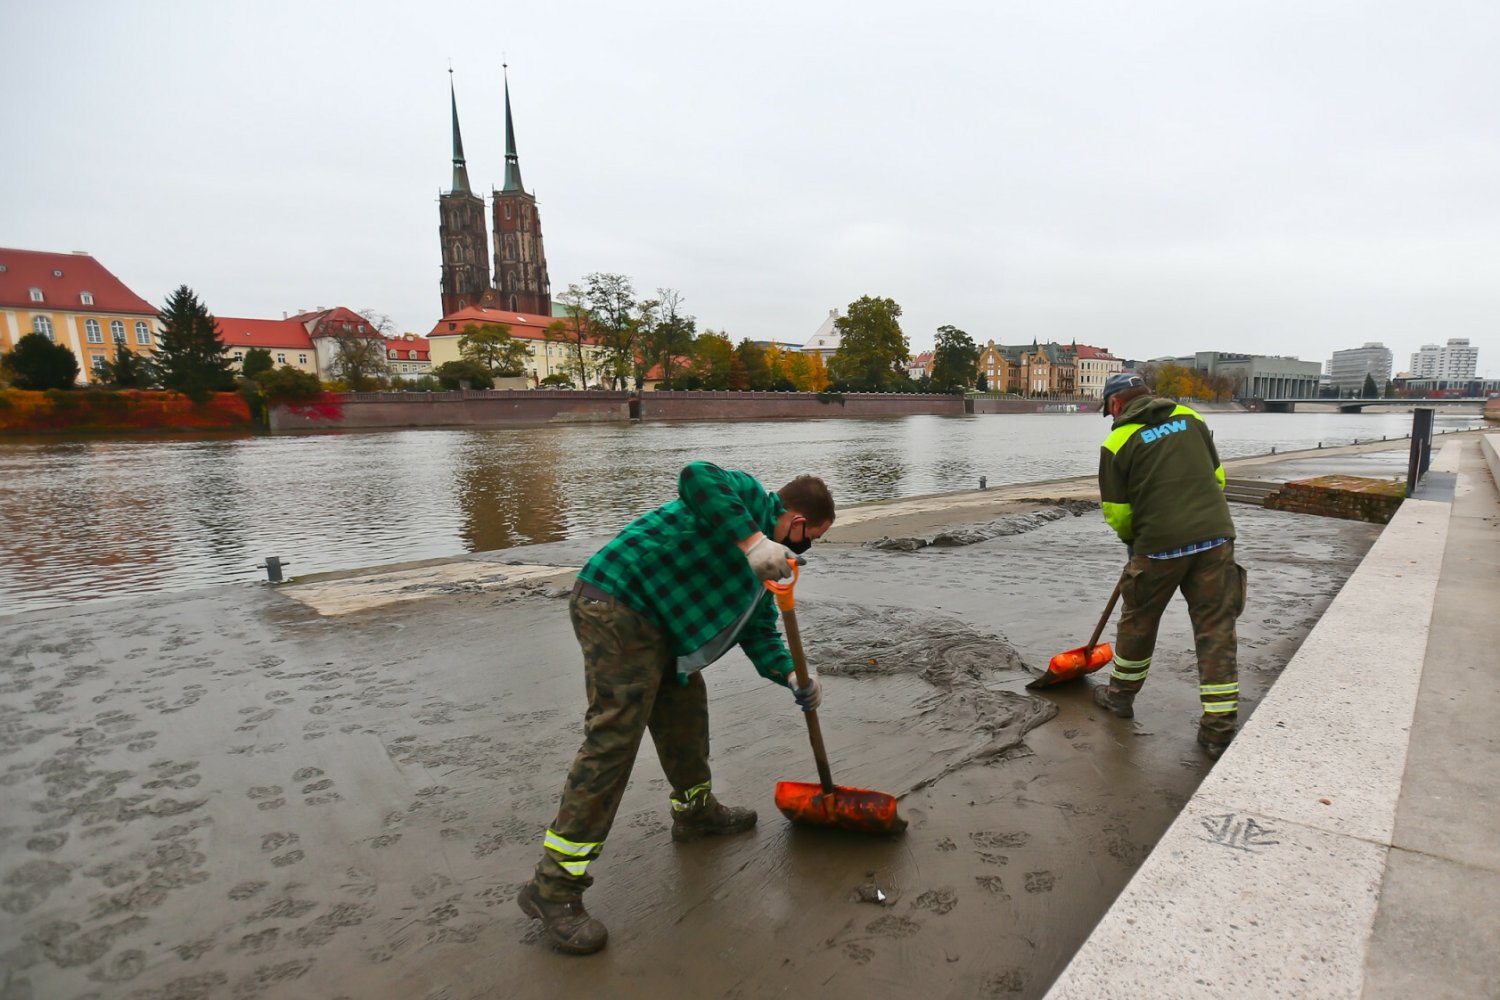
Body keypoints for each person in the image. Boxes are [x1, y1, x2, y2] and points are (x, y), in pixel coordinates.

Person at [517, 461, 836, 955]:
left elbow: (760, 631)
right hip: (615, 602)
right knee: (613, 740)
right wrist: (753, 542)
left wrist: (793, 674)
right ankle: (552, 887)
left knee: (686, 712)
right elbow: (696, 475)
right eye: (808, 539)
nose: (802, 550)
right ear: (795, 522)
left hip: (662, 629)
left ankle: (696, 813)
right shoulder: (745, 500)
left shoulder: (763, 573)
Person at [1092, 372, 1247, 760]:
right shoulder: (1192, 419)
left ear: (1115, 404)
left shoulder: (1117, 441)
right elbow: (1217, 479)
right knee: (1216, 629)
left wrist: (1135, 544)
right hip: (1215, 539)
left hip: (1158, 547)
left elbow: (1118, 513)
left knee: (1139, 623)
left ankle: (1120, 698)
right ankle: (1218, 730)